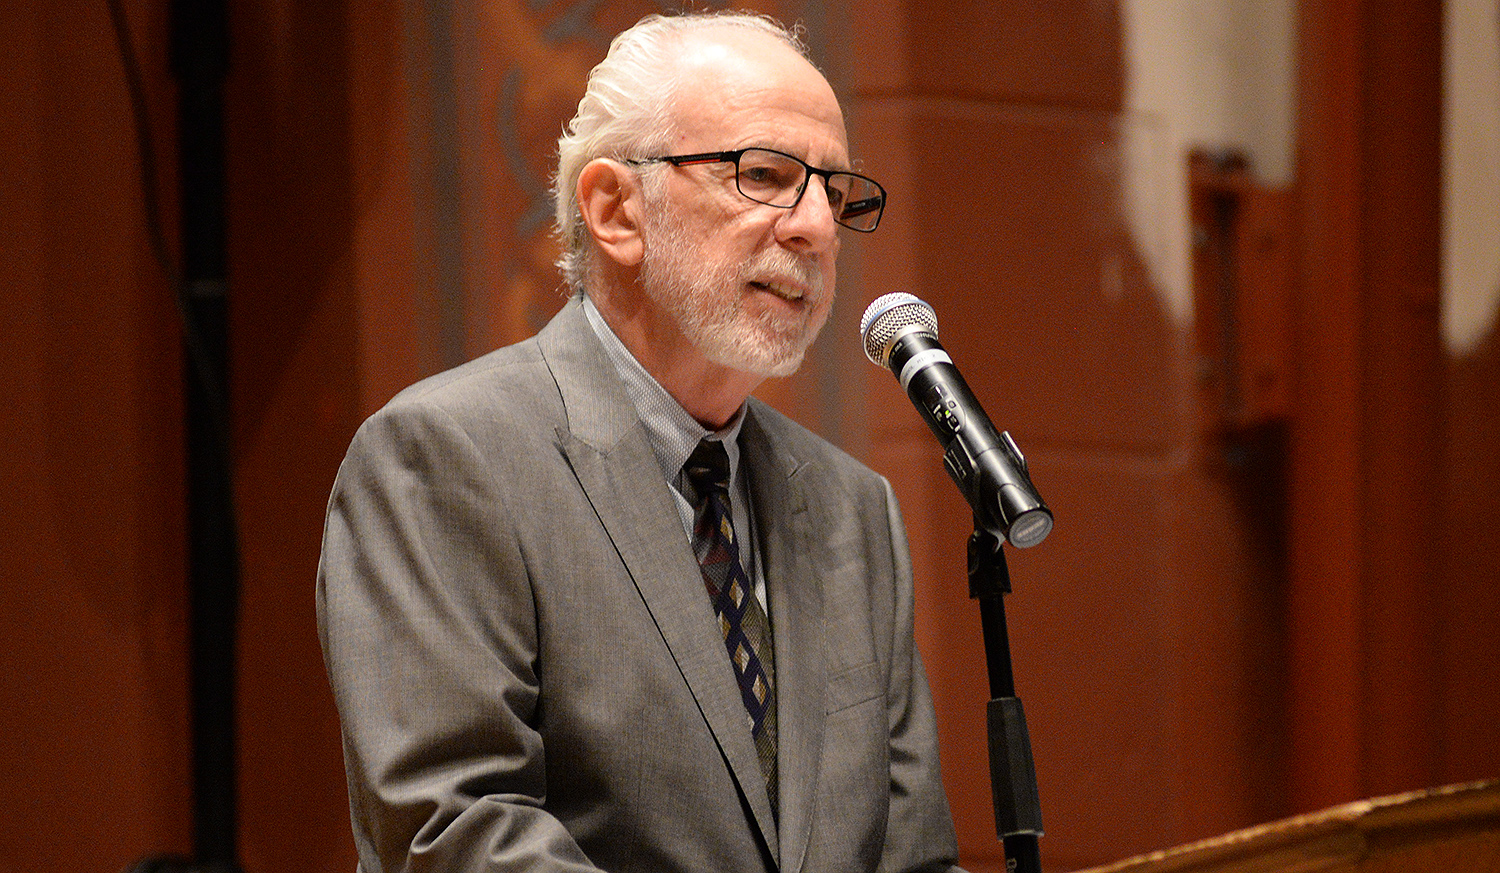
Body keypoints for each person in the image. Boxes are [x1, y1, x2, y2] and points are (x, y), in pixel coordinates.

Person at [317, 11, 963, 873]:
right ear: (618, 211)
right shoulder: (443, 459)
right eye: (766, 175)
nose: (815, 225)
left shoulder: (854, 511)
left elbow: (911, 857)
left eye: (835, 192)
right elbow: (458, 830)